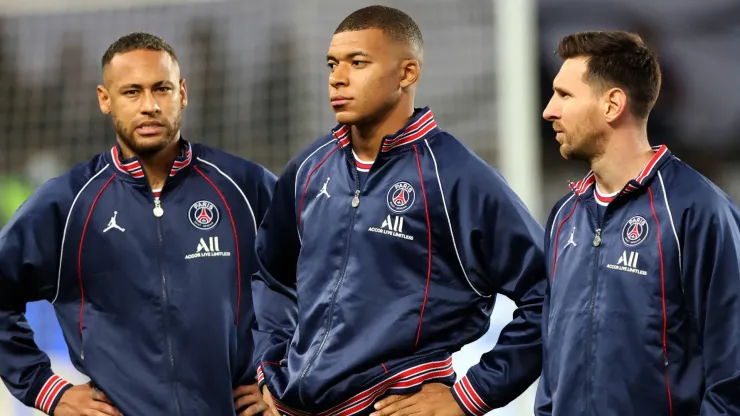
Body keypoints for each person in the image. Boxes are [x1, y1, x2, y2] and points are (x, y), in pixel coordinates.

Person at [251, 5, 547, 416]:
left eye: (358, 63)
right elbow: (270, 277)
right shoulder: (309, 168)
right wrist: (269, 364)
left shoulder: (456, 178)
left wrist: (471, 395)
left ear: (407, 73)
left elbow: (548, 294)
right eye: (332, 64)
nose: (337, 77)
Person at [0, 32, 274, 416]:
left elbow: (325, 281)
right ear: (104, 99)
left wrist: (280, 378)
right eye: (132, 92)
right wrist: (49, 391)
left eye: (161, 88)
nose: (149, 106)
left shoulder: (245, 187)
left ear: (182, 92)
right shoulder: (68, 202)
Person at [536, 30, 740, 415]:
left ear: (613, 104)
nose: (549, 110)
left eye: (564, 95)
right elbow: (553, 362)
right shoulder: (565, 216)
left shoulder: (696, 211)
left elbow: (732, 374)